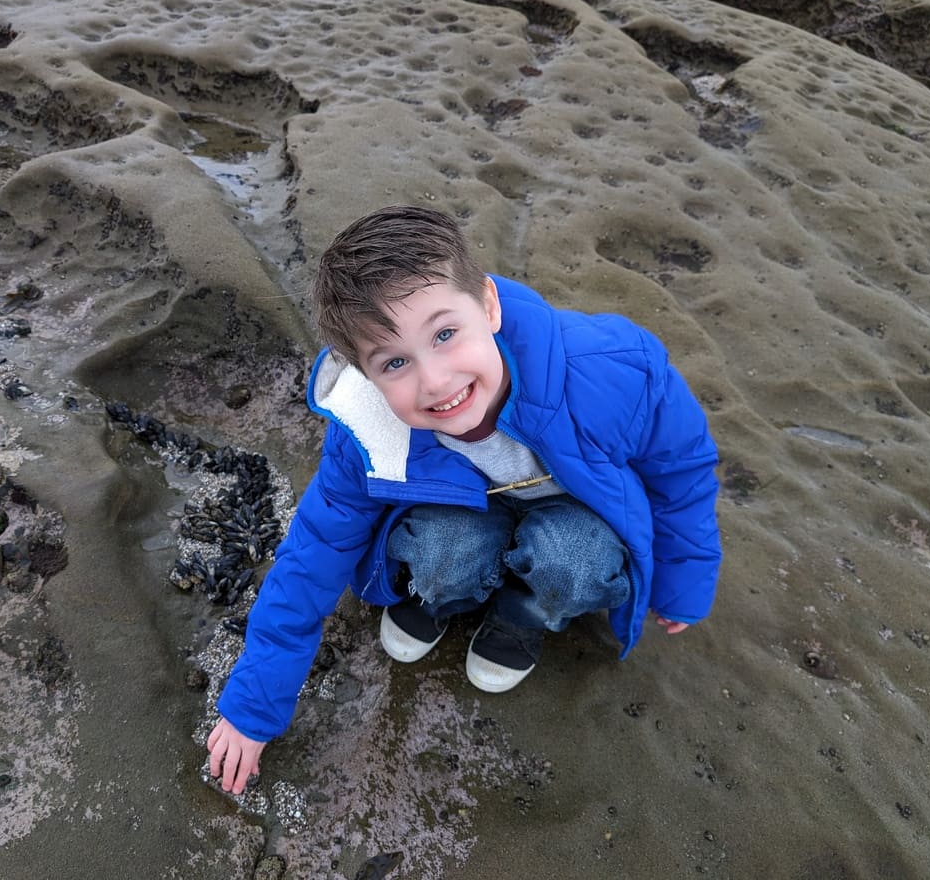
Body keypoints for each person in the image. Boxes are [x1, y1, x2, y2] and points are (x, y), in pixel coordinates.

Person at [207, 206, 722, 794]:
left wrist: (685, 580)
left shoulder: (614, 370)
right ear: (365, 375)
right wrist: (253, 705)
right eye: (395, 361)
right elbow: (313, 552)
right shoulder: (365, 430)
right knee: (442, 551)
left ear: (489, 304)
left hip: (575, 515)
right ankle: (442, 595)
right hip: (459, 515)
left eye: (445, 334)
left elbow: (682, 471)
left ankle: (523, 615)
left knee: (574, 559)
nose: (435, 381)